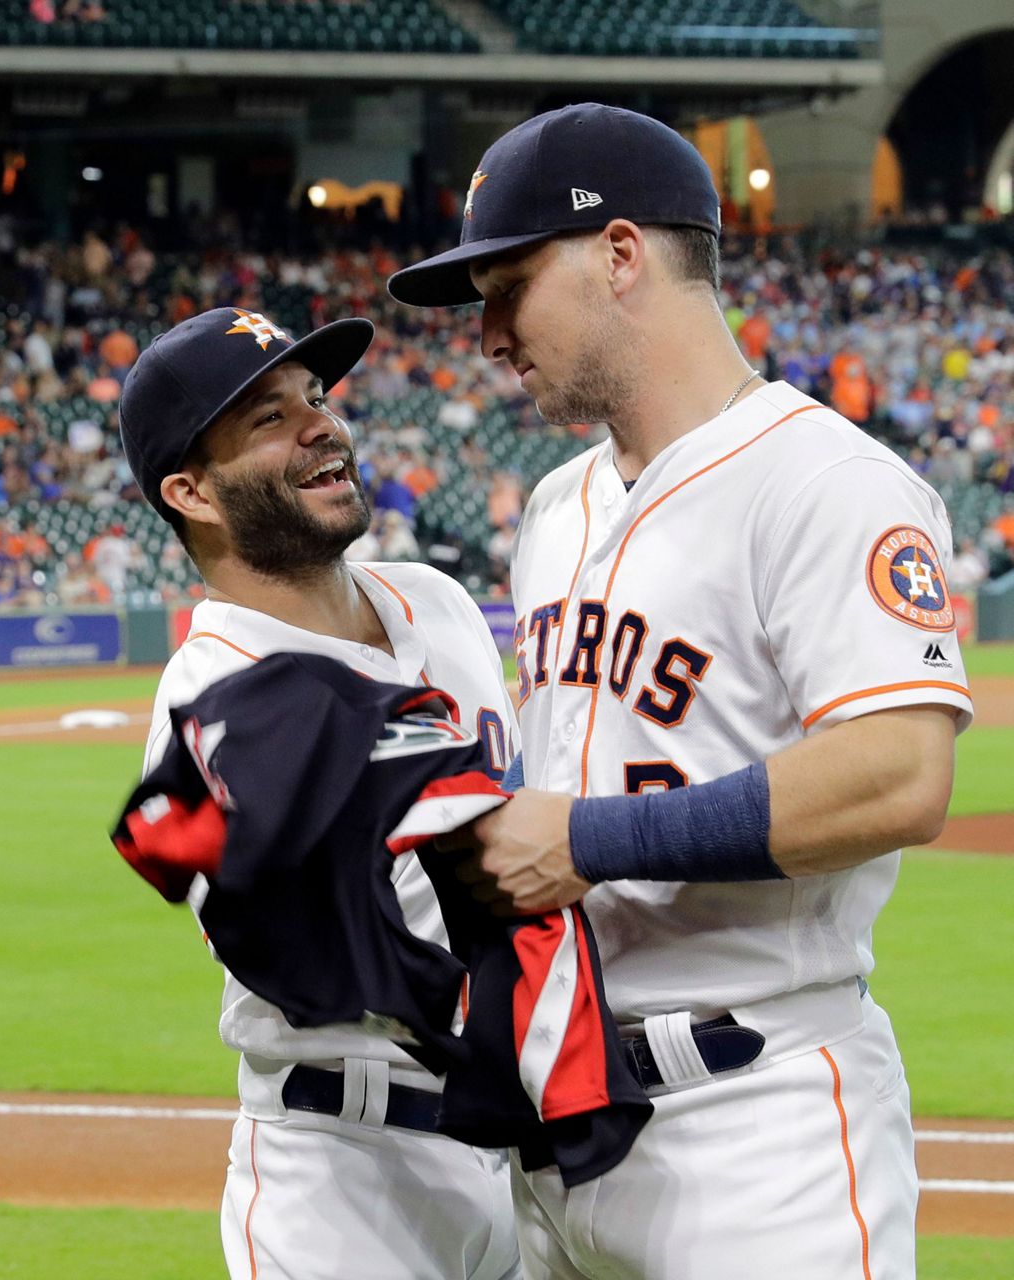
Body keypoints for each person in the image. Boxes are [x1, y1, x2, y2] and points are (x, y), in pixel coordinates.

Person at [388, 103, 974, 1280]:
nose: (489, 334)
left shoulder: (825, 481)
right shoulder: (554, 508)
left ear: (617, 256)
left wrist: (592, 838)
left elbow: (898, 773)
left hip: (760, 1126)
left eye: (506, 286)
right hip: (570, 1117)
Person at [118, 305, 521, 1280]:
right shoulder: (208, 713)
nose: (320, 425)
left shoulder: (436, 598)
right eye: (266, 417)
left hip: (520, 1160)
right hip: (346, 1177)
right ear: (191, 491)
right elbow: (307, 956)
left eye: (315, 397)